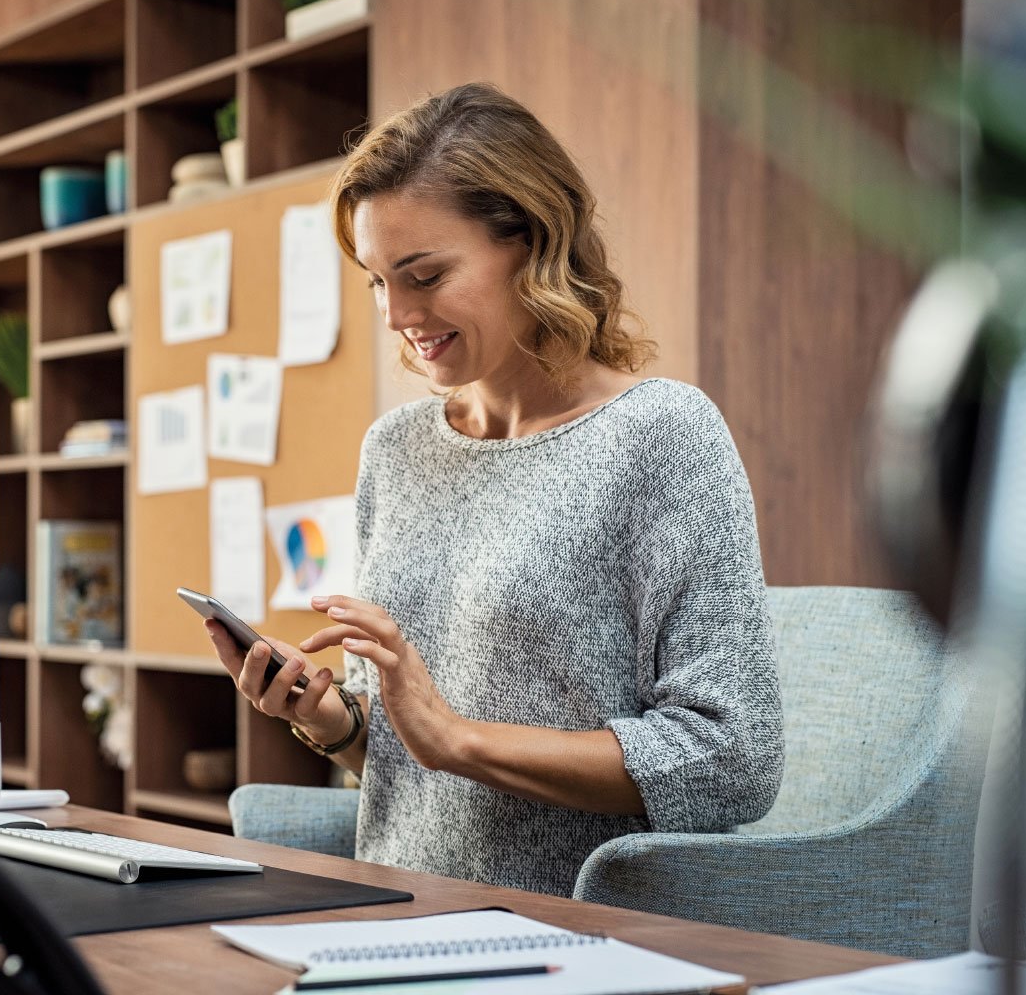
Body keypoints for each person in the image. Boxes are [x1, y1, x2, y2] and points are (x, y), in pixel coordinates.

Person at [205, 82, 784, 898]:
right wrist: (333, 721)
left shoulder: (662, 436)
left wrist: (458, 740)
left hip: (583, 934)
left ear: (533, 243)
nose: (397, 313)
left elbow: (734, 760)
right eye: (376, 281)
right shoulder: (395, 450)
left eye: (425, 274)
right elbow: (415, 750)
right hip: (399, 917)